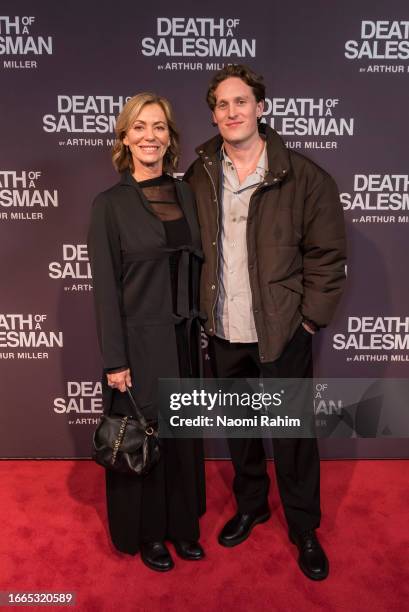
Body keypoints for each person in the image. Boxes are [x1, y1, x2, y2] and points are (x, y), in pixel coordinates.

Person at [185, 65, 346, 581]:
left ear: (261, 107)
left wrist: (310, 323)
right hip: (224, 328)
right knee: (239, 427)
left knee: (293, 435)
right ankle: (251, 504)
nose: (232, 112)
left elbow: (327, 256)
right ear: (213, 114)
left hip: (282, 331)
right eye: (222, 105)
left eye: (241, 102)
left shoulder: (305, 177)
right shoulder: (200, 175)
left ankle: (303, 526)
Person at [88, 93, 206, 572]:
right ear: (124, 137)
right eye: (139, 127)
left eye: (159, 127)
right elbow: (104, 291)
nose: (150, 137)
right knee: (146, 437)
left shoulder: (186, 194)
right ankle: (150, 533)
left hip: (183, 338)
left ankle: (182, 526)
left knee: (181, 437)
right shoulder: (109, 205)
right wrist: (115, 361)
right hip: (138, 342)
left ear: (170, 138)